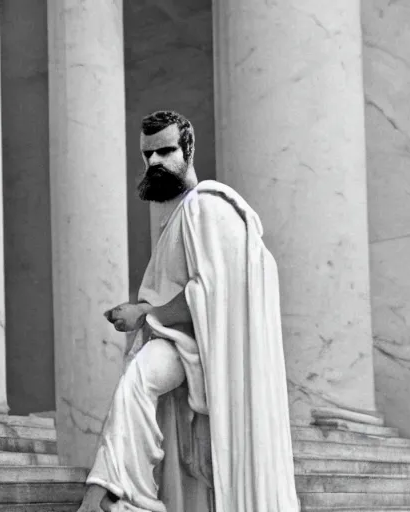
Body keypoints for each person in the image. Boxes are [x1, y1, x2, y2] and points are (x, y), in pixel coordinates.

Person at [77, 111, 300, 512]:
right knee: (136, 384)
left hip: (204, 348)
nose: (155, 162)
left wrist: (144, 313)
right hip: (182, 343)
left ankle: (113, 494)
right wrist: (145, 311)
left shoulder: (208, 205)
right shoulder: (176, 218)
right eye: (148, 155)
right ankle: (119, 493)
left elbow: (215, 291)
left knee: (137, 382)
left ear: (189, 149)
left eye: (166, 150)